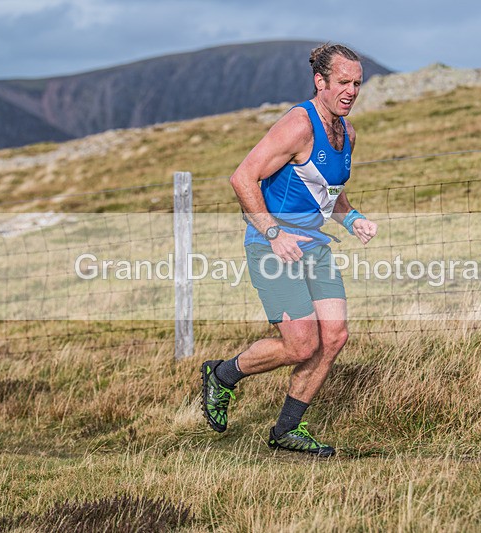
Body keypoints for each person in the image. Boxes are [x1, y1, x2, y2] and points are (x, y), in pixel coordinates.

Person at [201, 43, 378, 457]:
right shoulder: (299, 124)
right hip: (272, 245)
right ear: (321, 81)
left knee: (334, 337)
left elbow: (326, 190)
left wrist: (352, 219)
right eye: (342, 83)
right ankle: (222, 375)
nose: (351, 91)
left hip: (314, 246)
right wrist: (274, 233)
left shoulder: (347, 132)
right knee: (301, 344)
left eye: (357, 83)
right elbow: (242, 178)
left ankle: (286, 431)